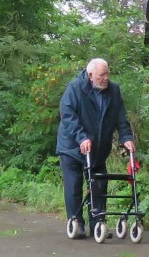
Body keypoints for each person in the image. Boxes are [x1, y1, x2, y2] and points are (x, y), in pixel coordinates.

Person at [56, 58, 133, 237]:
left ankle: (98, 223)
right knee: (74, 186)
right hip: (72, 147)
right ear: (90, 76)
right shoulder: (75, 88)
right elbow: (67, 116)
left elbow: (121, 118)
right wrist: (81, 137)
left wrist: (126, 137)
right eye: (102, 75)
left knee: (99, 184)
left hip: (98, 149)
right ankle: (77, 223)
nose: (106, 78)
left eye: (107, 74)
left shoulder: (113, 91)